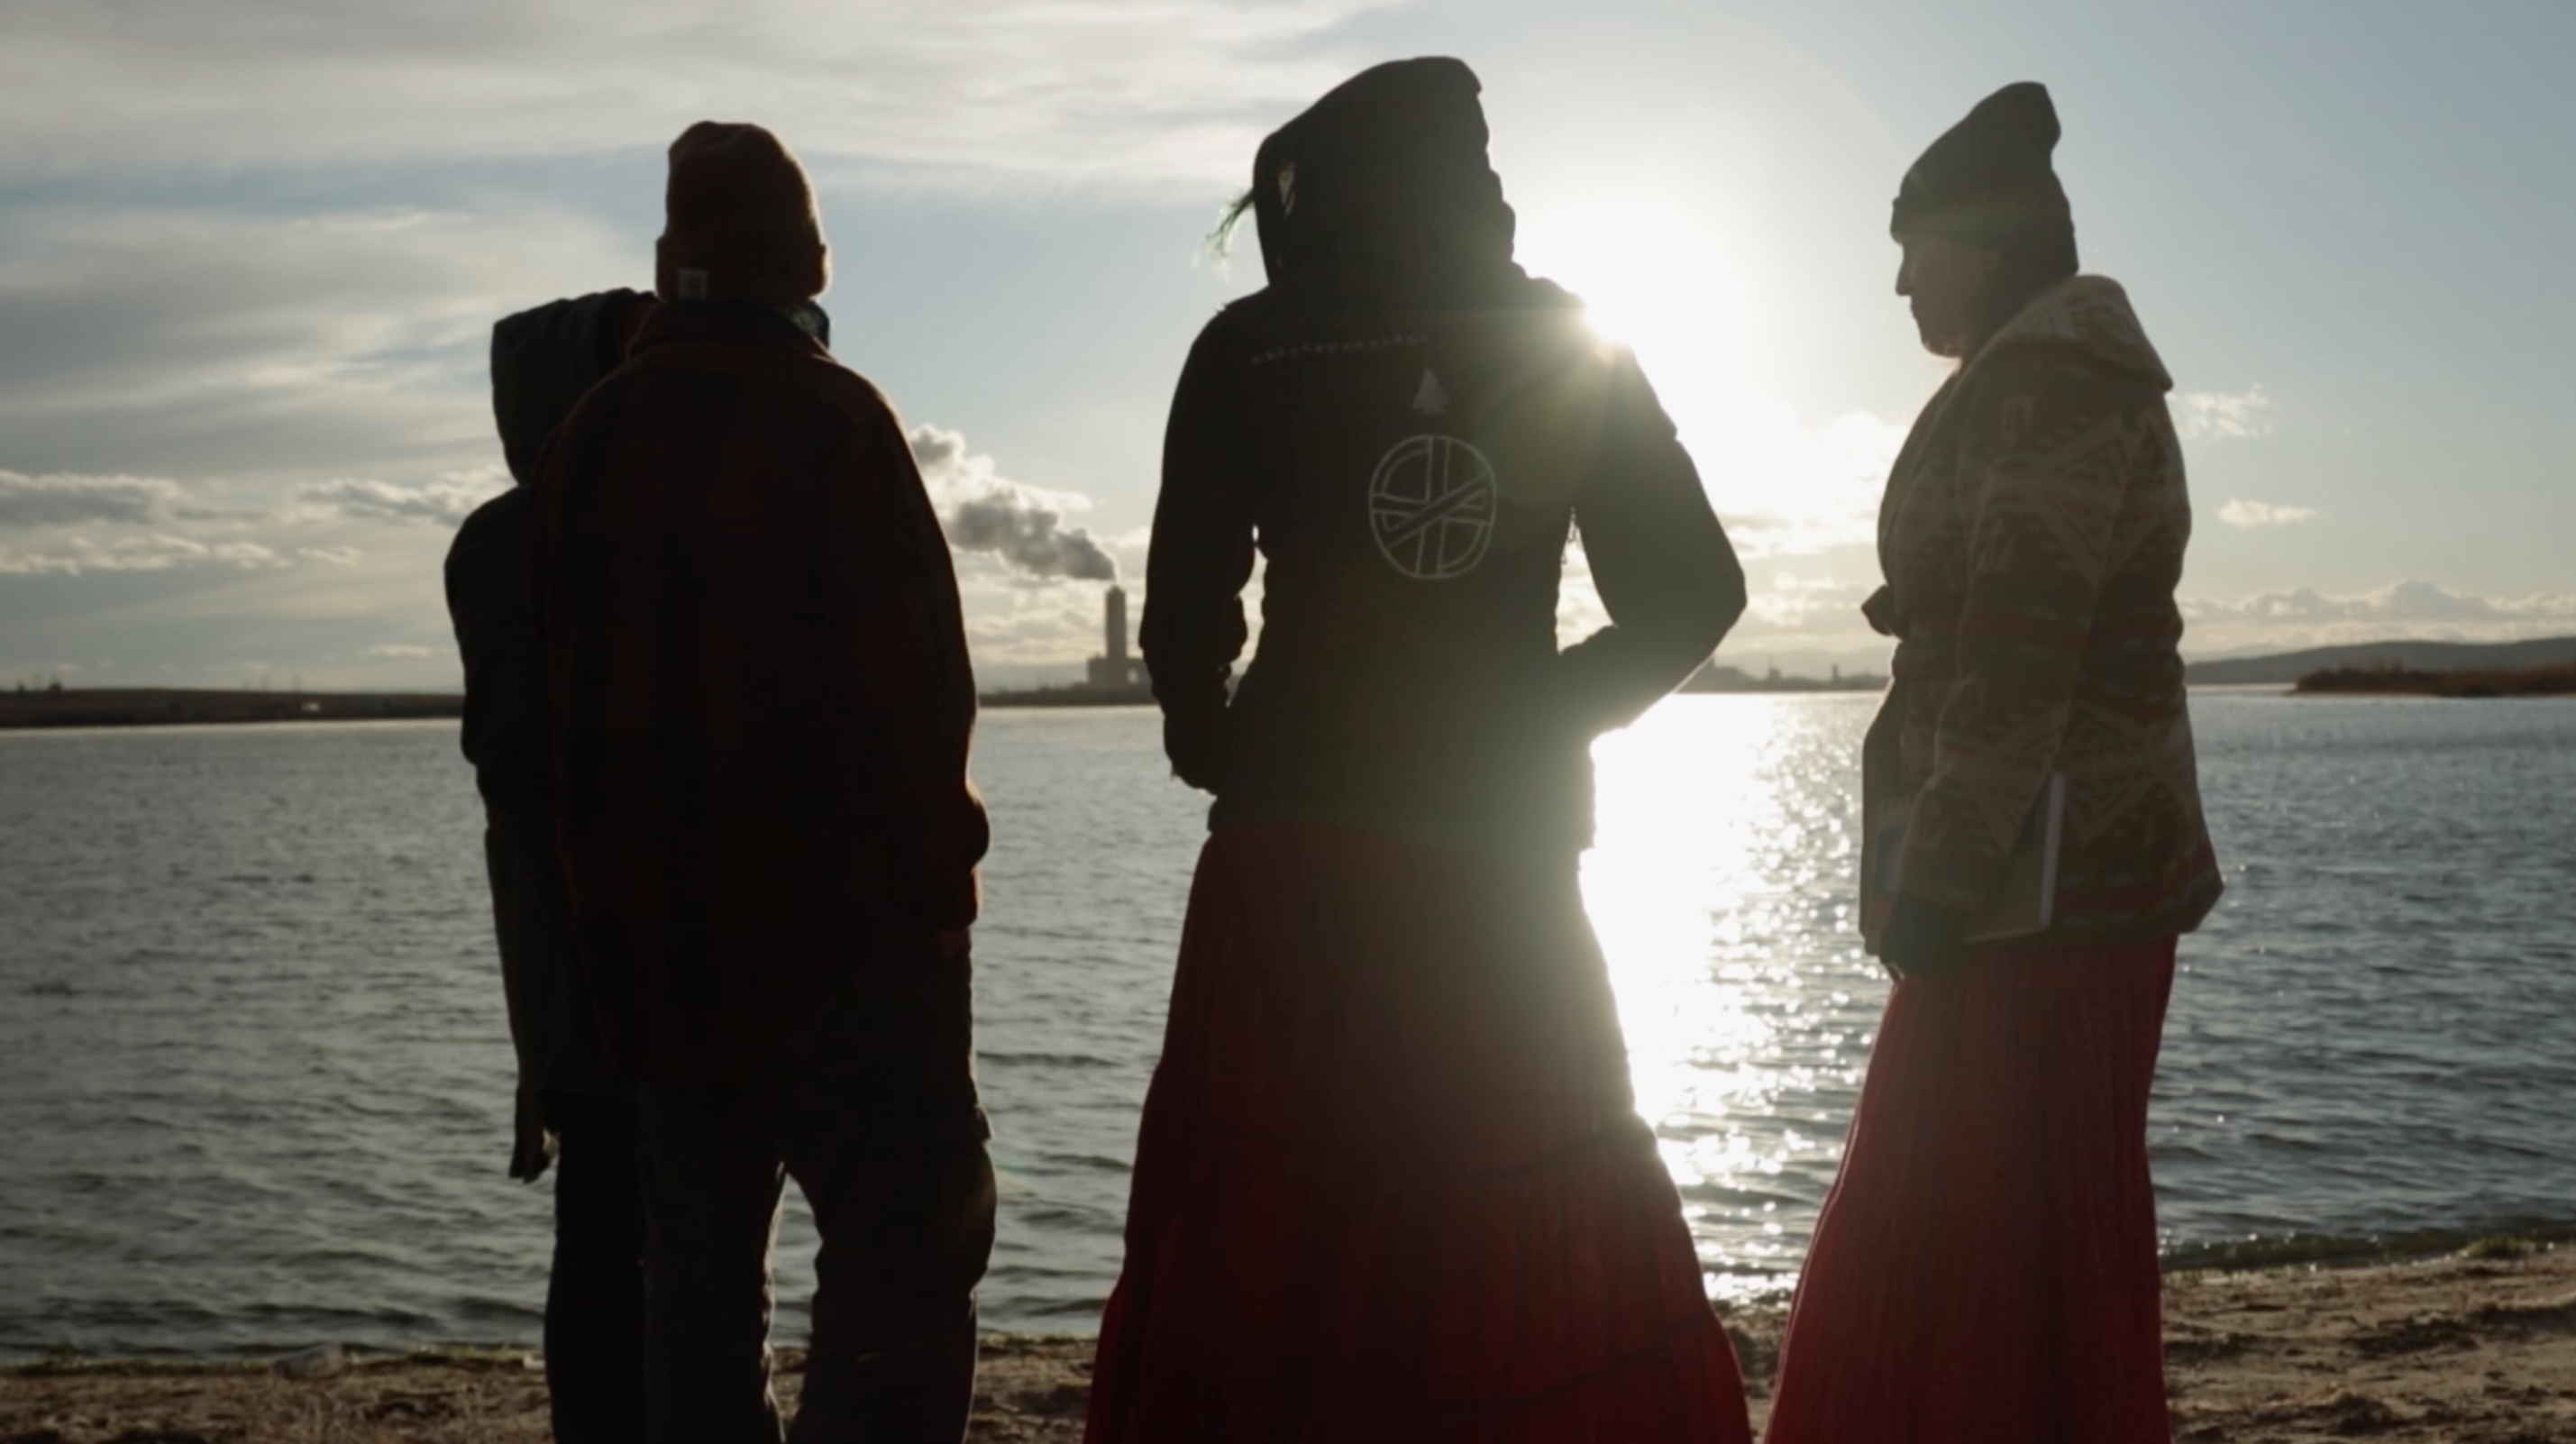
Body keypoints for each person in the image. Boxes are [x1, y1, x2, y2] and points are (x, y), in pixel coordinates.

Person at [1085, 58, 1755, 1444]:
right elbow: (1693, 592)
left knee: (1279, 1216)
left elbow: (1181, 616)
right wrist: (1532, 718)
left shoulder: (1248, 347)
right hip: (1493, 866)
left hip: (1291, 863)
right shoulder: (1564, 339)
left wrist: (1229, 745)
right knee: (1509, 1203)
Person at [1763, 82, 2224, 1444]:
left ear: (1990, 239)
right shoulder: (2028, 375)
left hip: (2044, 887)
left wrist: (1941, 877)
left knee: (1975, 1213)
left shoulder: (2046, 387)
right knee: (2003, 1217)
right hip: (2043, 871)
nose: (1898, 277)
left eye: (1916, 243)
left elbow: (2022, 648)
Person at [532, 121, 996, 1444]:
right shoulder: (833, 419)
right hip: (840, 952)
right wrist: (933, 904)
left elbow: (571, 716)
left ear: (673, 257)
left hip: (656, 961)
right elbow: (920, 700)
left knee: (695, 1287)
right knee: (903, 1265)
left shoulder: (587, 438)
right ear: (807, 264)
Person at [445, 284, 654, 1444]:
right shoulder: (520, 540)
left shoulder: (505, 537)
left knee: (619, 1209)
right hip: (590, 931)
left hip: (577, 927)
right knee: (616, 1208)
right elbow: (521, 759)